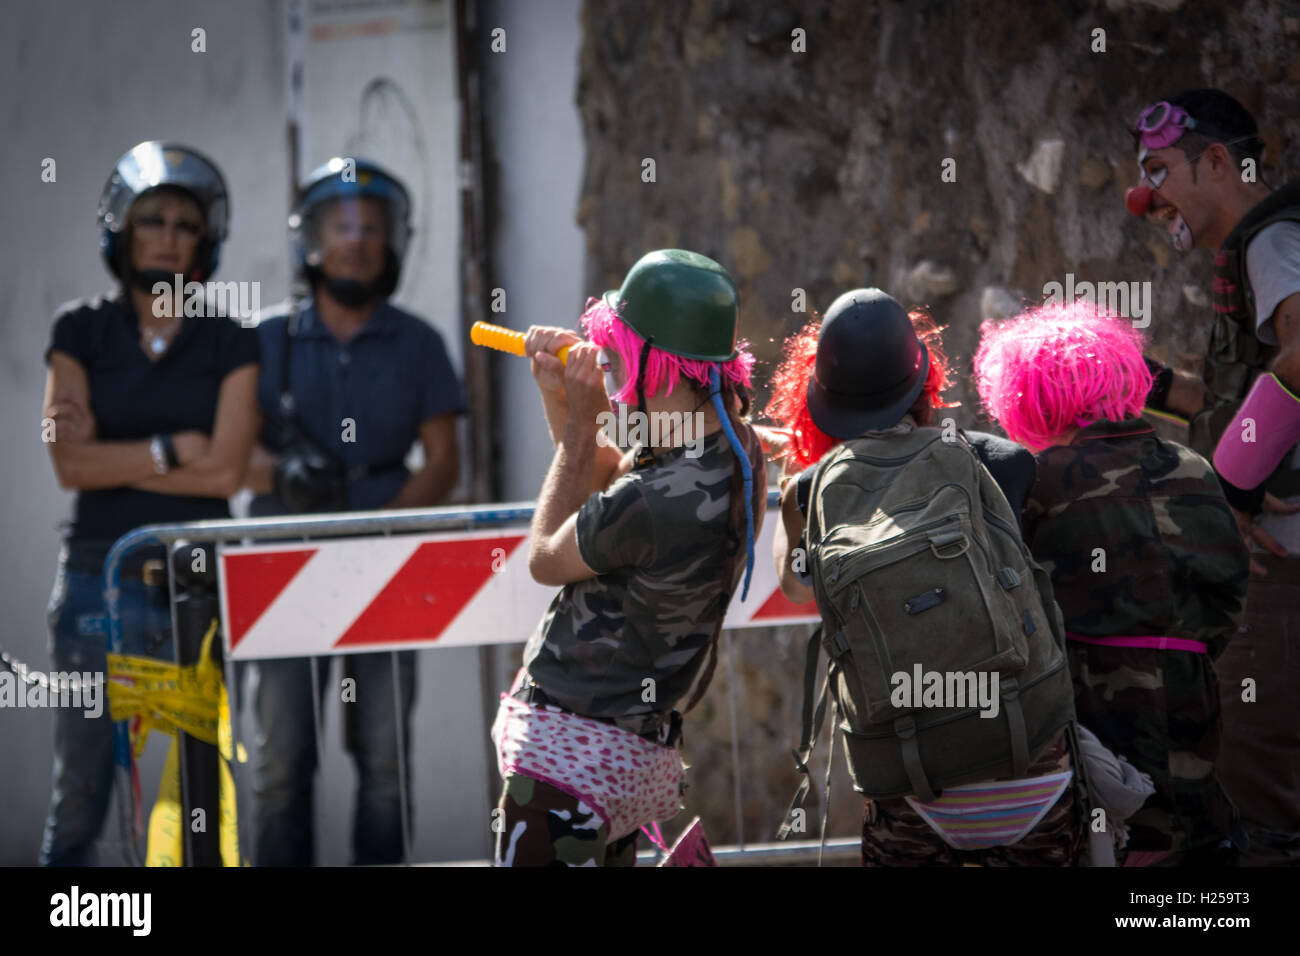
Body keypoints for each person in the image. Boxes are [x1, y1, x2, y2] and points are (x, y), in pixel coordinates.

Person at [769, 289, 1082, 866]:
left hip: (907, 786)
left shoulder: (812, 493)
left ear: (823, 401)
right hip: (1029, 766)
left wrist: (795, 486)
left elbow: (794, 586)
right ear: (924, 379)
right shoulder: (1006, 462)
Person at [491, 249, 765, 867]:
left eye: (618, 354)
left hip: (570, 765)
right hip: (627, 756)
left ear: (656, 368)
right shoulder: (729, 444)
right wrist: (563, 401)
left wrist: (579, 428)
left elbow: (543, 557)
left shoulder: (653, 501)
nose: (609, 369)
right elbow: (610, 467)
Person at [40, 141, 259, 865]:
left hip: (194, 588)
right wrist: (171, 450)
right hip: (93, 583)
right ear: (121, 231)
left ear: (207, 240)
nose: (168, 236)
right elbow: (68, 462)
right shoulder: (78, 329)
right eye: (152, 220)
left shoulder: (232, 336)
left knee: (192, 786)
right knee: (82, 793)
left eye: (185, 224)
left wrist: (121, 460)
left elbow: (227, 472)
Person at [243, 158, 464, 866]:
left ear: (395, 240)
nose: (356, 240)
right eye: (339, 226)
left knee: (386, 764)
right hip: (279, 568)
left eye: (372, 227)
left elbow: (444, 460)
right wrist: (279, 472)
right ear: (309, 241)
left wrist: (383, 521)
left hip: (386, 566)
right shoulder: (263, 340)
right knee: (280, 765)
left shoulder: (420, 343)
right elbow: (225, 454)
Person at [975, 301, 1251, 866]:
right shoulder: (1195, 468)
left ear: (1025, 394)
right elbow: (1226, 600)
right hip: (1193, 704)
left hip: (1093, 721)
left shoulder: (1037, 480)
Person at [1124, 89, 1300, 865]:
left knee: (1255, 787)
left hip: (1283, 558)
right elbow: (1245, 393)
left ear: (1219, 161)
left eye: (1158, 170)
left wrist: (1231, 485)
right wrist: (1151, 384)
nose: (1145, 197)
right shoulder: (1256, 253)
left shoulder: (1273, 242)